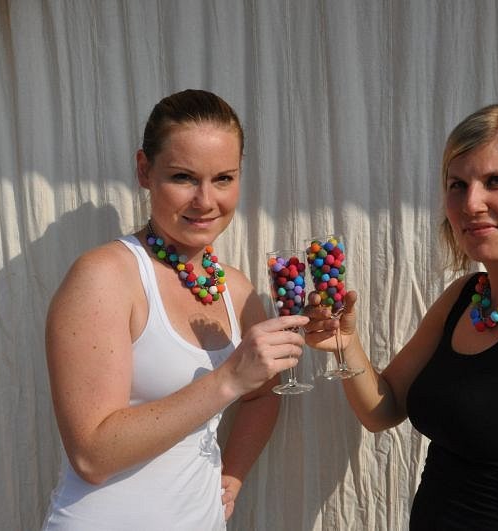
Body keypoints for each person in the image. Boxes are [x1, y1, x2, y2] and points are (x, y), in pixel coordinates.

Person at [305, 104, 498, 530]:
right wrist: (345, 345)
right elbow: (383, 410)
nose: (472, 203)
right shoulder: (466, 296)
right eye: (457, 185)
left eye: (496, 182)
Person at [42, 89, 308, 530]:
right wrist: (228, 379)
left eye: (223, 178)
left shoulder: (234, 288)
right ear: (145, 171)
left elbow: (264, 394)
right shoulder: (106, 276)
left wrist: (233, 475)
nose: (205, 200)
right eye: (184, 177)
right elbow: (91, 455)